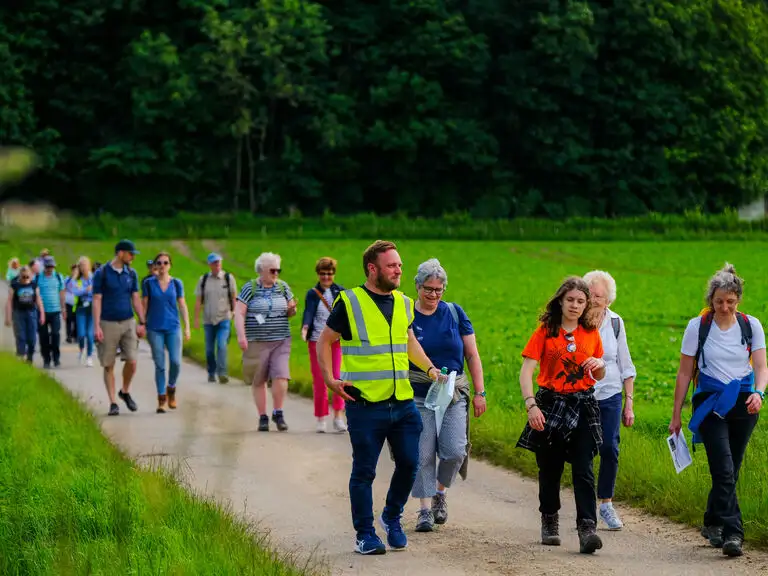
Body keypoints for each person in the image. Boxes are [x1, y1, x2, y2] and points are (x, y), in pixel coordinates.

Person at [317, 240, 447, 556]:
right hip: (364, 404)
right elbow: (325, 341)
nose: (398, 269)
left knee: (409, 463)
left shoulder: (403, 302)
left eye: (399, 264)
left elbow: (408, 340)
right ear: (373, 269)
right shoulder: (350, 302)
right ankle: (365, 535)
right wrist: (329, 380)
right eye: (392, 265)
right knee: (364, 471)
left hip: (402, 401)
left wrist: (430, 370)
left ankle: (391, 516)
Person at [669, 263, 767, 558]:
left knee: (731, 469)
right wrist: (676, 414)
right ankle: (733, 532)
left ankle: (712, 520)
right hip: (710, 402)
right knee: (723, 470)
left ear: (738, 300)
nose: (724, 307)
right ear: (710, 300)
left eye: (730, 302)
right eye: (719, 301)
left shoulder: (752, 326)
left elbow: (761, 366)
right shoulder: (698, 327)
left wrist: (760, 394)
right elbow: (685, 373)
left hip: (744, 401)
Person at [517, 276, 606, 554]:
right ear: (560, 301)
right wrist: (531, 405)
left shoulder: (591, 333)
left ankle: (587, 528)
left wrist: (600, 364)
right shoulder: (545, 331)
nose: (575, 305)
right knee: (550, 467)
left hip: (582, 405)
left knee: (584, 468)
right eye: (570, 300)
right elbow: (526, 371)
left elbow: (599, 373)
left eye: (581, 301)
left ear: (586, 304)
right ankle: (550, 519)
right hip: (550, 404)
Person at [408, 258, 486, 533]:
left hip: (453, 392)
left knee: (454, 450)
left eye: (438, 290)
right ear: (417, 286)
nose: (433, 295)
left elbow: (472, 355)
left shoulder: (454, 313)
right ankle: (424, 510)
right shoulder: (408, 316)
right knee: (423, 452)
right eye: (428, 288)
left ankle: (441, 491)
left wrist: (480, 392)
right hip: (419, 393)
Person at [583, 270, 637, 530]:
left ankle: (605, 503)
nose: (593, 300)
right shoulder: (576, 321)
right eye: (590, 294)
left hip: (611, 393)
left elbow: (626, 363)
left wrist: (629, 401)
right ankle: (585, 509)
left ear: (608, 301)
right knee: (583, 450)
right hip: (582, 394)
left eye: (599, 297)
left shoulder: (616, 322)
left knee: (610, 448)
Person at [234, 252, 297, 431]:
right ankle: (263, 416)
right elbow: (239, 312)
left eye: (278, 270)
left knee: (281, 374)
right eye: (272, 270)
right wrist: (241, 336)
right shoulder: (250, 288)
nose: (276, 273)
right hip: (257, 341)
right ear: (261, 270)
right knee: (259, 380)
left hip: (281, 339)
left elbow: (291, 311)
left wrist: (292, 310)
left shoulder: (283, 287)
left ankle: (278, 412)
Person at [93, 239, 146, 416]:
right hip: (107, 322)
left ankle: (124, 391)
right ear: (120, 253)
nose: (132, 257)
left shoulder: (131, 273)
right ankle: (113, 402)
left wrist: (142, 321)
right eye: (130, 253)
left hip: (128, 321)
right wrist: (96, 326)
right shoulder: (102, 273)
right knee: (109, 363)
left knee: (132, 360)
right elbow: (97, 299)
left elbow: (136, 298)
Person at [301, 256, 346, 433]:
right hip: (315, 341)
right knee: (320, 379)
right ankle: (321, 418)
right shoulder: (313, 293)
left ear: (334, 274)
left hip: (335, 341)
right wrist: (305, 328)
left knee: (336, 377)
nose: (326, 277)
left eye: (329, 274)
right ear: (318, 274)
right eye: (322, 274)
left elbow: (344, 316)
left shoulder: (340, 292)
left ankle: (338, 417)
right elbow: (308, 313)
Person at [143, 252, 191, 413]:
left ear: (170, 265)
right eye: (159, 263)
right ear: (155, 265)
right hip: (154, 327)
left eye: (165, 263)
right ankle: (161, 398)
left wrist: (187, 327)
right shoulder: (149, 283)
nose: (162, 266)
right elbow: (144, 305)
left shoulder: (176, 283)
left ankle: (171, 388)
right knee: (160, 364)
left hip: (173, 327)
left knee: (176, 361)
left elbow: (182, 305)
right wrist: (142, 323)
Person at [195, 253, 237, 384]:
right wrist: (196, 318)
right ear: (209, 265)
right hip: (208, 320)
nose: (217, 265)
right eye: (214, 263)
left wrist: (235, 312)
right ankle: (211, 372)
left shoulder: (228, 278)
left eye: (218, 262)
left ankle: (222, 373)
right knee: (209, 349)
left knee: (221, 345)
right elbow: (198, 301)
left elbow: (234, 297)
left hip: (224, 318)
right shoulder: (204, 280)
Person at [5, 265, 44, 362]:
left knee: (32, 338)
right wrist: (8, 317)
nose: (26, 279)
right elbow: (9, 302)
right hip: (19, 313)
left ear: (30, 276)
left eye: (28, 276)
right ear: (20, 276)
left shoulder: (34, 285)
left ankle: (30, 356)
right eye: (24, 277)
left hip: (31, 312)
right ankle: (21, 356)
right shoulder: (15, 285)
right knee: (20, 336)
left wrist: (42, 313)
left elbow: (39, 300)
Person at [36, 255, 66, 369]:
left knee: (55, 334)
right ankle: (46, 359)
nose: (50, 269)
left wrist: (63, 309)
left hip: (55, 311)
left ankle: (56, 358)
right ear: (44, 267)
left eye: (52, 267)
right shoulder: (38, 278)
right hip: (42, 312)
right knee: (43, 337)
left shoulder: (58, 277)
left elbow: (62, 293)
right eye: (48, 267)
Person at [71, 256, 95, 366]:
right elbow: (75, 291)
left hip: (92, 308)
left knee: (90, 334)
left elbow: (96, 292)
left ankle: (89, 356)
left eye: (85, 265)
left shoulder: (93, 278)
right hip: (81, 309)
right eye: (82, 266)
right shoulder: (78, 280)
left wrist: (86, 292)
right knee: (81, 334)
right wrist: (86, 290)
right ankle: (81, 349)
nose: (84, 268)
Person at [64, 263, 78, 343]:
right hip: (68, 302)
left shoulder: (79, 280)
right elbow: (65, 288)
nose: (75, 272)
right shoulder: (68, 279)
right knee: (68, 319)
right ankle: (68, 335)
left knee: (76, 320)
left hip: (76, 303)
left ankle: (75, 335)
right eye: (74, 270)